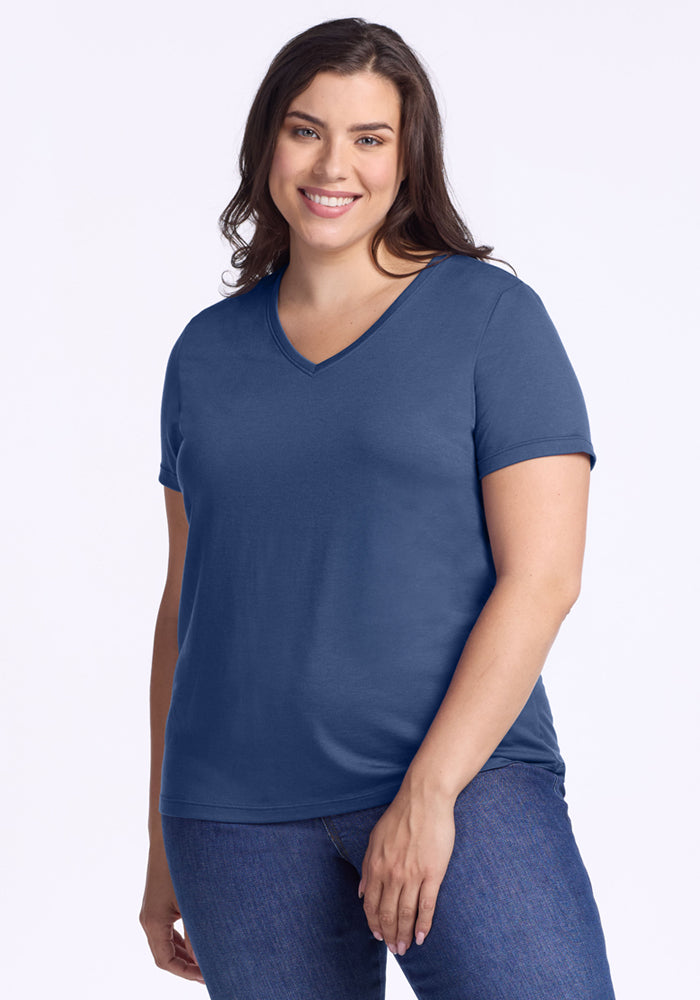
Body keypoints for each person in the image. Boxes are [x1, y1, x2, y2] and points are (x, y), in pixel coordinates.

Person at [139, 16, 617, 1000]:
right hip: (232, 817)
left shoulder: (490, 318)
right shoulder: (204, 354)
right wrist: (159, 842)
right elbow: (187, 599)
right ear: (268, 142)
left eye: (369, 137)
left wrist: (431, 791)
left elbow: (543, 577)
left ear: (408, 157)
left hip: (465, 779)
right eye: (306, 130)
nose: (333, 166)